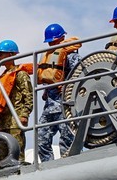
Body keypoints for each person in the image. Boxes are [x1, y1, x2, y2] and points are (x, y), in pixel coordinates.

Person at [0, 40, 35, 156]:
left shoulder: (20, 74)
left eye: (1, 54)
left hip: (16, 120)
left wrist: (24, 115)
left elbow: (28, 95)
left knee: (17, 153)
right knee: (3, 156)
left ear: (11, 54)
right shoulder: (2, 77)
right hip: (3, 123)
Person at [35, 23, 82, 162]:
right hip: (50, 106)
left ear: (61, 38)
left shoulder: (72, 57)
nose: (51, 44)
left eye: (53, 41)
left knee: (67, 139)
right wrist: (45, 91)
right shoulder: (49, 55)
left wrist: (68, 87)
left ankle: (69, 165)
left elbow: (79, 75)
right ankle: (47, 165)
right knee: (41, 139)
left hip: (66, 105)